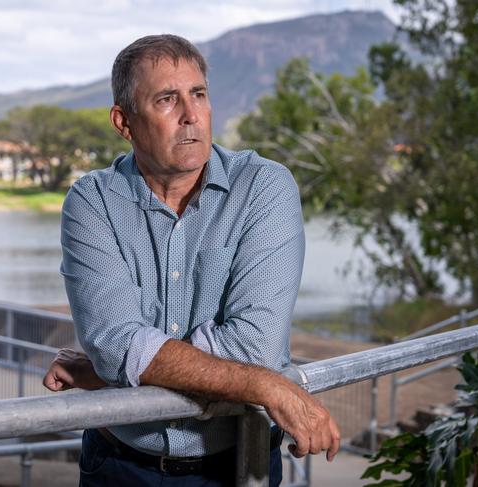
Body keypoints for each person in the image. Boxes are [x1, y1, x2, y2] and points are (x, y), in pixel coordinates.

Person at [43, 34, 340, 486]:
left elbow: (254, 348)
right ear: (124, 122)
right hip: (118, 466)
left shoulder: (263, 188)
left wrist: (117, 374)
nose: (190, 115)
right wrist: (264, 383)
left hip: (237, 467)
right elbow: (115, 343)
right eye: (166, 99)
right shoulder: (92, 202)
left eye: (198, 94)